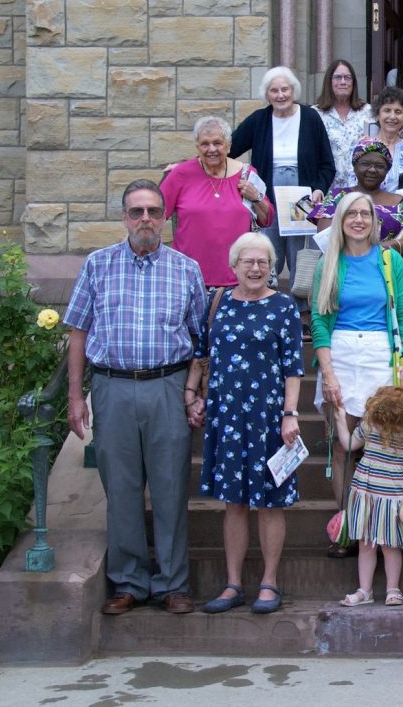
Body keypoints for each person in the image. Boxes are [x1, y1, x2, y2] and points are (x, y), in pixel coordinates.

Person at [64, 179, 208, 615]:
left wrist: (195, 393)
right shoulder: (97, 264)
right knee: (122, 488)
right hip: (112, 387)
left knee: (169, 487)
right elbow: (78, 332)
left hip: (168, 387)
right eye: (136, 211)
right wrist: (76, 395)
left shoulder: (186, 268)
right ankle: (127, 582)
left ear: (165, 217)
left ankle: (172, 584)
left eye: (152, 211)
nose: (145, 219)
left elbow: (201, 341)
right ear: (124, 217)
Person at [184, 233, 303, 616]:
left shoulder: (283, 306)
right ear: (233, 266)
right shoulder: (216, 302)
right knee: (233, 502)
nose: (255, 268)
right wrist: (192, 394)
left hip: (269, 418)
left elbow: (293, 368)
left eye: (263, 262)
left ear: (272, 267)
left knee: (270, 503)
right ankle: (233, 583)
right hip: (227, 415)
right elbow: (201, 354)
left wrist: (290, 413)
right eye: (248, 262)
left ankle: (269, 582)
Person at [311, 193, 403, 555]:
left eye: (365, 214)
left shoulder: (389, 260)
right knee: (342, 446)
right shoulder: (328, 263)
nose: (358, 220)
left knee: (381, 441)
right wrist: (328, 374)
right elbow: (319, 322)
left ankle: (383, 524)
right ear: (340, 221)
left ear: (374, 220)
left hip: (379, 355)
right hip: (340, 355)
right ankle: (347, 527)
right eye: (351, 214)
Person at [231, 66, 334, 292]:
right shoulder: (259, 119)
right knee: (268, 252)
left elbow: (327, 164)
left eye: (285, 89)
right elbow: (227, 148)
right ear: (267, 94)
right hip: (267, 197)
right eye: (274, 91)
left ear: (293, 90)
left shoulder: (310, 117)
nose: (280, 95)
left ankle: (302, 314)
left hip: (302, 199)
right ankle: (266, 302)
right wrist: (192, 165)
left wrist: (318, 189)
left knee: (301, 259)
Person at [333, 386, 403, 607]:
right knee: (366, 543)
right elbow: (348, 444)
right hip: (365, 494)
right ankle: (365, 590)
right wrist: (339, 418)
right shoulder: (369, 426)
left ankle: (393, 589)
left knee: (390, 545)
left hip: (393, 497)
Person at [160, 115, 273, 288]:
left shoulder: (247, 173)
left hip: (238, 280)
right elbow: (155, 215)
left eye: (217, 143)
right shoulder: (181, 174)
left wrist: (256, 197)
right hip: (188, 279)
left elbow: (266, 219)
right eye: (205, 144)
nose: (211, 149)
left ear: (228, 146)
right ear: (197, 147)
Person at [309, 140, 403, 295]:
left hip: (391, 281)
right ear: (355, 165)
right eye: (365, 163)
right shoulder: (337, 197)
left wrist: (384, 248)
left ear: (387, 170)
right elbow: (326, 238)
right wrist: (370, 251)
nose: (372, 170)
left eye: (380, 166)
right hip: (347, 279)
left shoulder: (399, 202)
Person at [316, 59, 372, 191]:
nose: (343, 82)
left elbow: (374, 148)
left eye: (347, 78)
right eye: (337, 77)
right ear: (329, 82)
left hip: (359, 188)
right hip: (327, 188)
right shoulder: (315, 114)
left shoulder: (368, 112)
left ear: (354, 83)